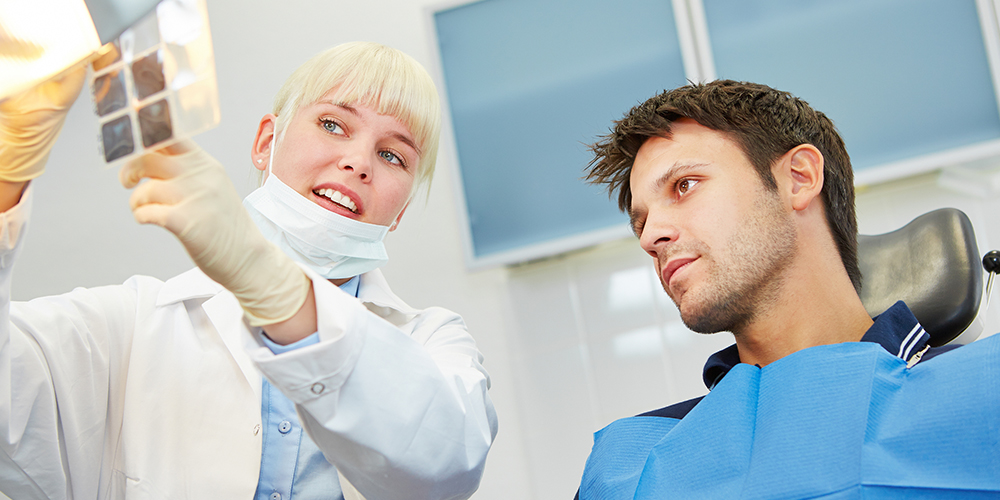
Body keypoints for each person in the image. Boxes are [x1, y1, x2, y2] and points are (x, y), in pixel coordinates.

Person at [0, 41, 496, 500]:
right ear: (266, 141)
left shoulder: (433, 341)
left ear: (402, 209)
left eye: (392, 155)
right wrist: (8, 169)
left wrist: (270, 284)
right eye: (332, 124)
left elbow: (445, 464)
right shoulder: (129, 328)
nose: (358, 162)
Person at [575, 80, 999, 498]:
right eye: (640, 222)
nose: (651, 236)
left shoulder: (981, 388)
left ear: (798, 178)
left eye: (684, 185)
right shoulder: (627, 463)